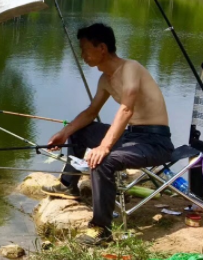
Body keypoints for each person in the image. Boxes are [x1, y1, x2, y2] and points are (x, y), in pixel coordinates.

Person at [41, 23, 174, 245]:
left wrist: (104, 146)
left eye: (85, 49)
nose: (82, 55)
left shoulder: (131, 68)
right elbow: (91, 112)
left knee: (103, 161)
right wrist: (64, 133)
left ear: (102, 48)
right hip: (131, 136)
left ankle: (102, 229)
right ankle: (68, 185)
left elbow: (126, 109)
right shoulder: (105, 80)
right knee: (80, 130)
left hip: (155, 142)